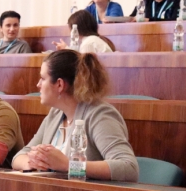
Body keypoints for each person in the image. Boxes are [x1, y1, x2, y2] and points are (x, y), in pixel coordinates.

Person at [12, 50, 138, 182]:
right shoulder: (55, 114)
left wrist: (69, 165)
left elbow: (129, 168)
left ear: (59, 85)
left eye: (43, 79)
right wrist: (35, 163)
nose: (38, 85)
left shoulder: (99, 114)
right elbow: (19, 156)